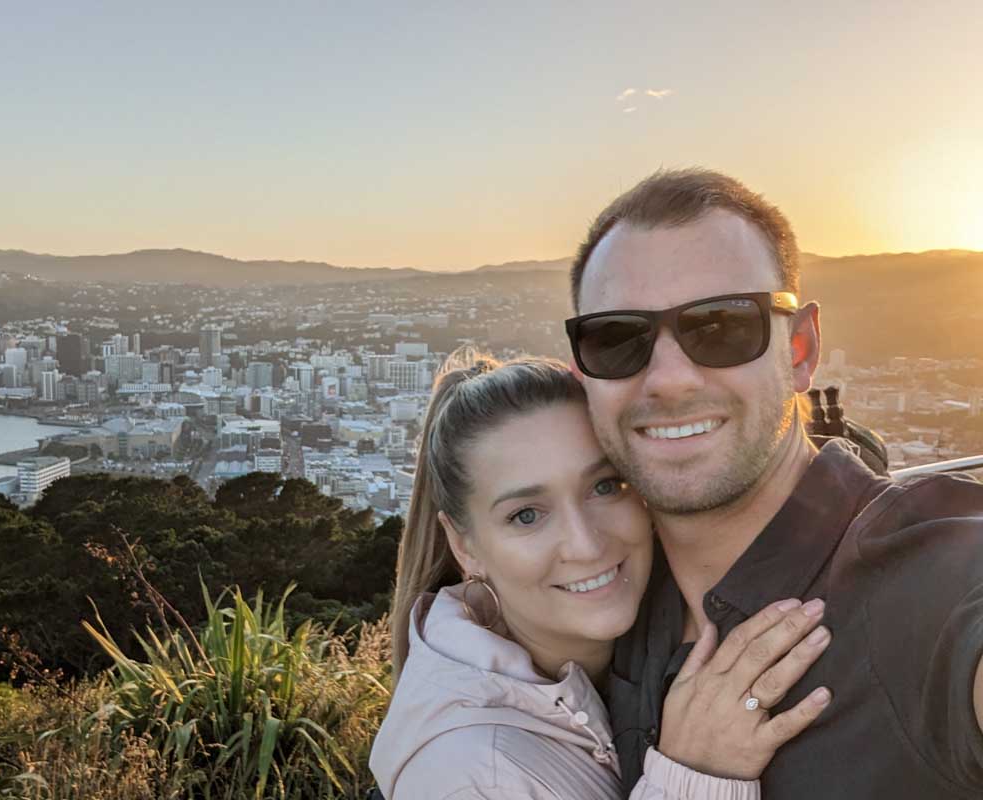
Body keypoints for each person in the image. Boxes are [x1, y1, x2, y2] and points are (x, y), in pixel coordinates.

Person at [565, 168, 983, 798]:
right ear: (584, 376)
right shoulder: (604, 599)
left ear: (801, 351)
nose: (669, 379)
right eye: (619, 339)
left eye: (722, 327)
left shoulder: (932, 580)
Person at [369, 350, 833, 799]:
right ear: (464, 545)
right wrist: (695, 776)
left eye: (605, 486)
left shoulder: (649, 640)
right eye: (527, 515)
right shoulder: (471, 775)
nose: (586, 544)